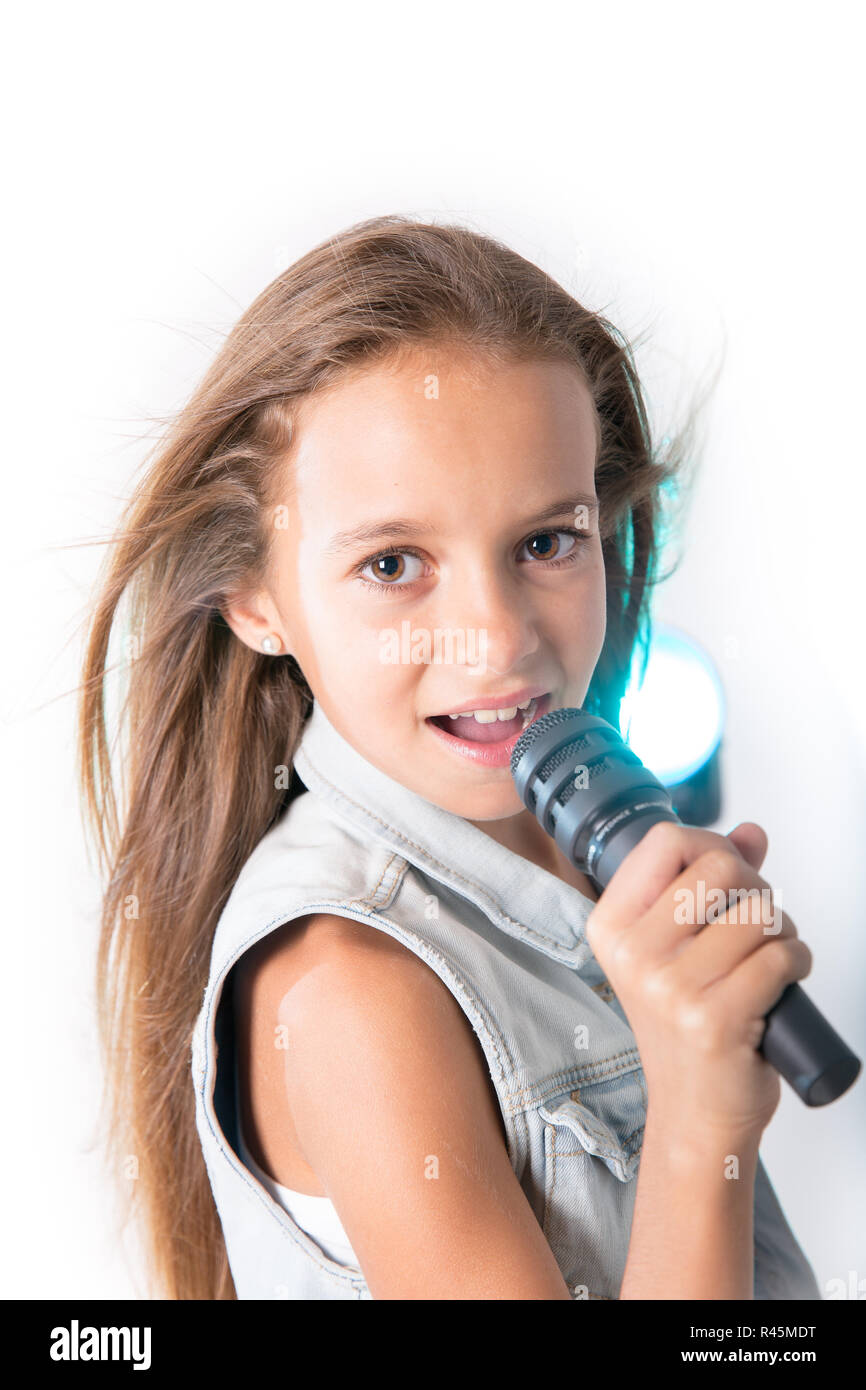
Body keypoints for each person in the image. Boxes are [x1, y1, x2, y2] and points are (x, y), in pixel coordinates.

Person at [77, 213, 820, 1300]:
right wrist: (699, 1114)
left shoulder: (584, 831)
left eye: (544, 542)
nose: (493, 638)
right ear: (252, 595)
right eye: (392, 563)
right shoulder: (348, 997)